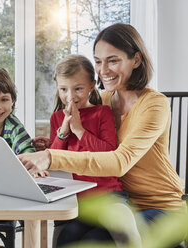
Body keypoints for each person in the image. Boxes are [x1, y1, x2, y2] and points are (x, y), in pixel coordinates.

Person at [19, 23, 185, 246]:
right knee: (69, 238)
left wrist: (50, 157)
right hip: (114, 204)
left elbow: (119, 161)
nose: (103, 70)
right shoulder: (103, 101)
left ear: (136, 60)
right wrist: (53, 143)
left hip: (160, 208)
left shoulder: (154, 104)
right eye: (98, 61)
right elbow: (87, 141)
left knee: (95, 242)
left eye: (113, 60)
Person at [49, 54, 142, 247]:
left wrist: (79, 130)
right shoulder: (57, 119)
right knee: (67, 238)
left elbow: (108, 153)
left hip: (108, 196)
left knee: (115, 228)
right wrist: (64, 132)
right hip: (79, 203)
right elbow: (53, 160)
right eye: (63, 89)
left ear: (92, 86)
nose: (70, 96)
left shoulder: (102, 113)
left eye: (78, 89)